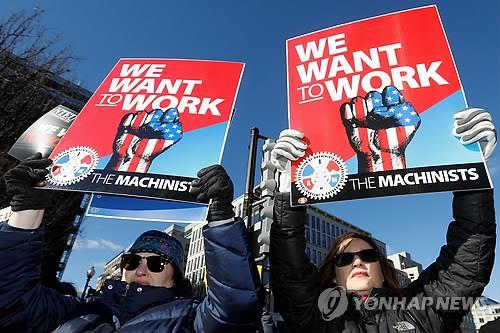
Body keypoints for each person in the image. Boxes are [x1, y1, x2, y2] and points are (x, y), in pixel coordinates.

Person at [269, 107, 497, 333]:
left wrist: (471, 170)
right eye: (344, 259)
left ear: (383, 271)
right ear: (333, 275)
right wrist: (288, 193)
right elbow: (290, 273)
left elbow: (464, 265)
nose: (357, 262)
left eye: (367, 255)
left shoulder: (419, 310)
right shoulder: (318, 319)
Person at [0, 162, 263, 332]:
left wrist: (221, 216)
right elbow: (10, 302)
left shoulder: (190, 320)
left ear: (174, 279)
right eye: (132, 261)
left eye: (157, 263)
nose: (140, 270)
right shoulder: (77, 309)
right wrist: (27, 209)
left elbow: (235, 307)